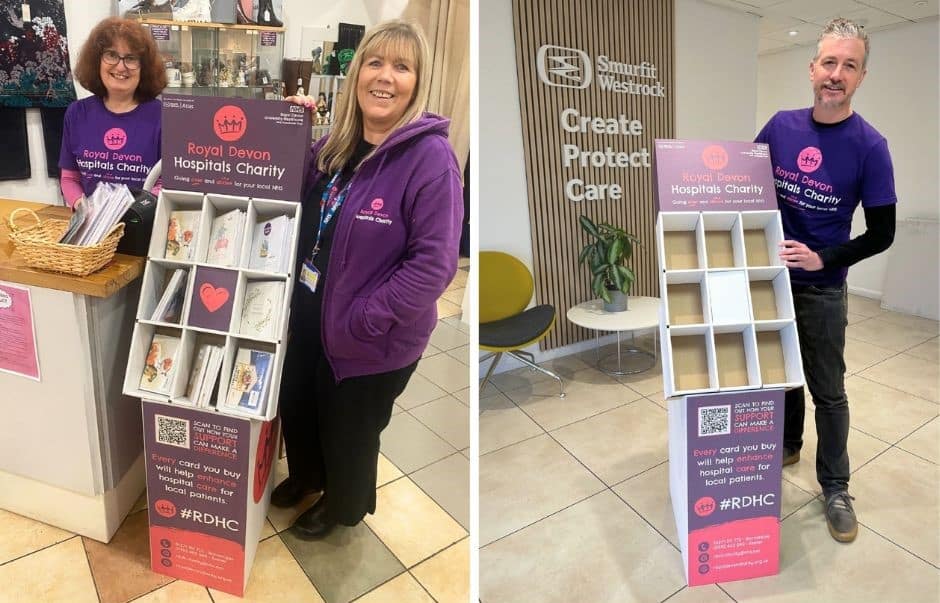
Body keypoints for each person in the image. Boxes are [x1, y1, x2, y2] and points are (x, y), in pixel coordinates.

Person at [274, 20, 463, 540]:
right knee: (299, 404)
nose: (385, 77)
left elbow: (434, 265)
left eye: (402, 67)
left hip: (371, 336)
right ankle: (308, 476)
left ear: (417, 82)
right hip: (311, 314)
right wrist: (287, 133)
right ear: (356, 73)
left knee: (349, 430)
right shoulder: (335, 145)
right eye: (375, 63)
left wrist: (366, 318)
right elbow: (289, 195)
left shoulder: (431, 160)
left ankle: (343, 506)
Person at [755, 17, 896, 544]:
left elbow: (882, 233)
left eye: (849, 65)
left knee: (828, 391)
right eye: (829, 62)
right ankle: (787, 445)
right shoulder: (779, 127)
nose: (836, 74)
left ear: (861, 77)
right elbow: (743, 184)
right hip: (771, 280)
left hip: (823, 288)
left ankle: (835, 486)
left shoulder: (870, 146)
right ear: (812, 68)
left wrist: (823, 258)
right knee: (781, 376)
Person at [59, 17, 165, 209]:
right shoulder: (76, 113)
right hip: (92, 223)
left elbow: (164, 183)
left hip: (142, 221)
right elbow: (69, 178)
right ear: (96, 61)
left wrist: (131, 212)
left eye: (131, 58)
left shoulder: (163, 117)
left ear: (144, 67)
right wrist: (84, 209)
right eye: (111, 55)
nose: (121, 66)